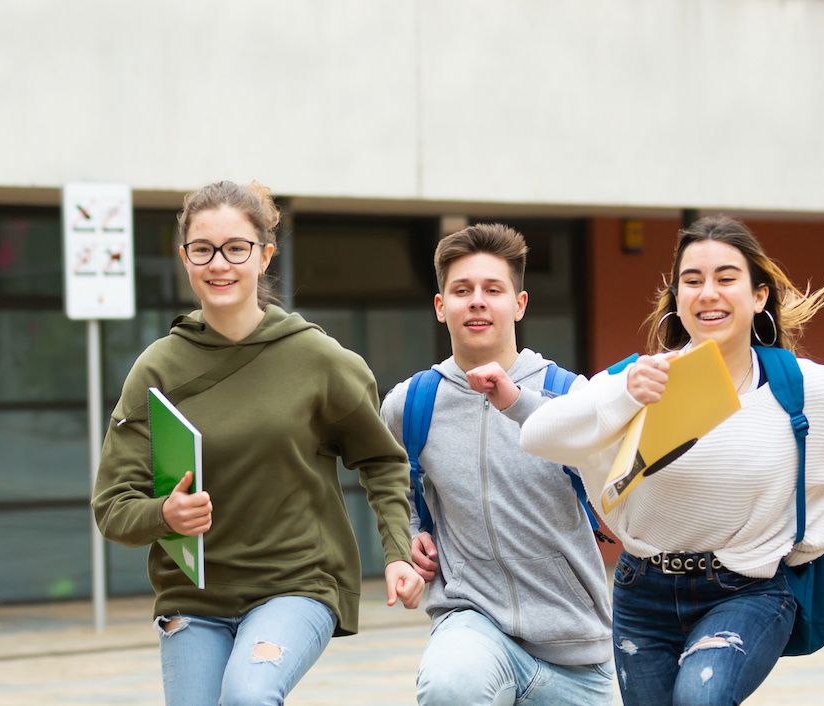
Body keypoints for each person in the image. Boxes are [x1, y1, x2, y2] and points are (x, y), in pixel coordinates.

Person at [92, 179, 423, 705]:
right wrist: (165, 515)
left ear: (264, 256)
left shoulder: (318, 360)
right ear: (184, 258)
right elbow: (112, 507)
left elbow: (381, 460)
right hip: (193, 597)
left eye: (236, 248)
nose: (218, 263)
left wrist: (398, 552)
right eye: (202, 249)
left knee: (248, 696)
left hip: (297, 582)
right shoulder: (155, 368)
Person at [520, 215, 824, 705]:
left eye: (726, 278)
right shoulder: (639, 380)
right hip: (643, 592)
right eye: (692, 281)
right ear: (677, 299)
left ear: (758, 295)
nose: (708, 293)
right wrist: (624, 395)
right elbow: (537, 435)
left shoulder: (801, 389)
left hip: (749, 590)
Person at [380, 224, 614, 705]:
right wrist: (406, 537)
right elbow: (389, 483)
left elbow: (620, 484)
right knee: (449, 686)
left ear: (520, 304)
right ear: (441, 307)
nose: (477, 301)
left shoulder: (571, 395)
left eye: (493, 290)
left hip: (576, 649)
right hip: (471, 619)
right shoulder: (411, 403)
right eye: (462, 290)